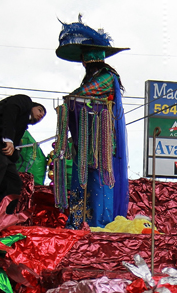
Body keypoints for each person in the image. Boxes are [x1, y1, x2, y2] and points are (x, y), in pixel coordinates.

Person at [55, 17, 129, 228]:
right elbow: (78, 97)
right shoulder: (90, 78)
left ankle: (99, 223)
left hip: (101, 141)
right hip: (84, 139)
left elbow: (82, 95)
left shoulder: (107, 76)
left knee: (99, 180)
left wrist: (73, 99)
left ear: (91, 60)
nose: (84, 63)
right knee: (80, 180)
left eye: (85, 60)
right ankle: (78, 222)